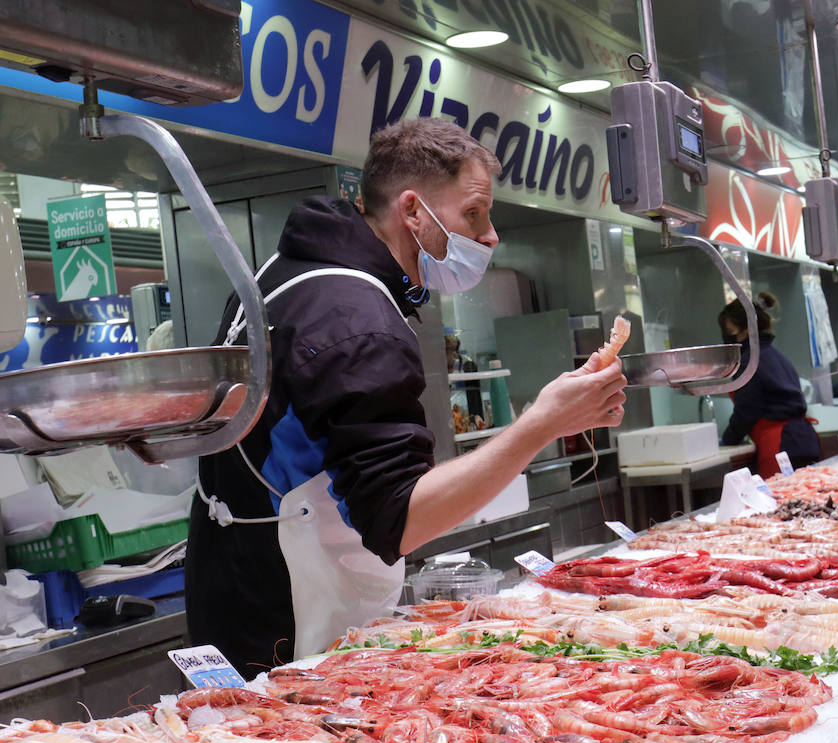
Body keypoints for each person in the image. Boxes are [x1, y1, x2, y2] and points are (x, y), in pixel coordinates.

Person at [187, 119, 627, 673]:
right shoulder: (356, 320)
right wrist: (541, 424)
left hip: (230, 586)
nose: (491, 236)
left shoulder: (287, 271)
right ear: (413, 211)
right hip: (288, 622)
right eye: (473, 213)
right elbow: (401, 519)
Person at [718, 292, 821, 477]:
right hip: (805, 440)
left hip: (780, 445)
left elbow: (747, 410)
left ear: (747, 329)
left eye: (731, 331)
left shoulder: (749, 363)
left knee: (780, 502)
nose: (729, 337)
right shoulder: (776, 355)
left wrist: (726, 441)